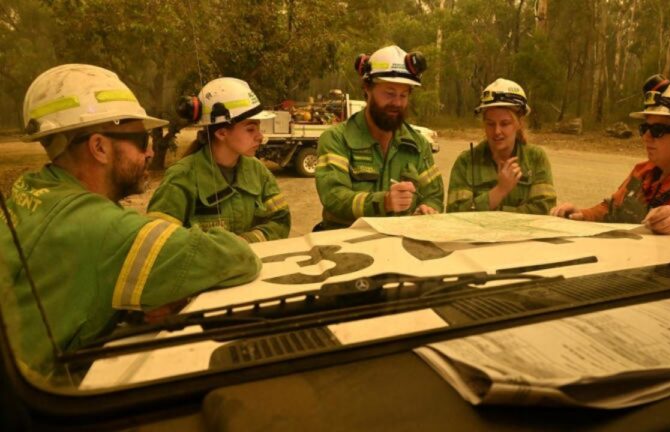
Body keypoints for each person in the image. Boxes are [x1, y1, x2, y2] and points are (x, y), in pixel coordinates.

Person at [0, 65, 261, 379]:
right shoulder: (103, 227)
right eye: (142, 139)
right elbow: (238, 258)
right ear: (99, 147)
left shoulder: (28, 191)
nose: (151, 152)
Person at [550, 75, 670, 239]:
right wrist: (582, 215)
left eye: (658, 130)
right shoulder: (645, 171)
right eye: (645, 128)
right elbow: (612, 209)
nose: (646, 137)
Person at [314, 45, 444, 230]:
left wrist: (428, 209)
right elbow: (334, 196)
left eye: (403, 95)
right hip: (347, 246)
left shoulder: (418, 144)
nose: (397, 103)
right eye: (389, 93)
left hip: (398, 245)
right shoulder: (336, 139)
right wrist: (383, 202)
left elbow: (434, 195)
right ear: (367, 88)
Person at [147, 78, 290, 242]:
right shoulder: (181, 177)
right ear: (221, 133)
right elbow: (160, 242)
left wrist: (249, 241)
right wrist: (219, 251)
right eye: (250, 129)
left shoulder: (257, 171)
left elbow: (281, 219)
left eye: (258, 128)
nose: (260, 136)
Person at [447, 78, 556, 213]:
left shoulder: (535, 158)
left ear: (519, 123)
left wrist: (494, 211)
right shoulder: (466, 162)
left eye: (505, 124)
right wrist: (500, 190)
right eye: (490, 124)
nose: (497, 131)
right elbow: (455, 213)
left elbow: (544, 209)